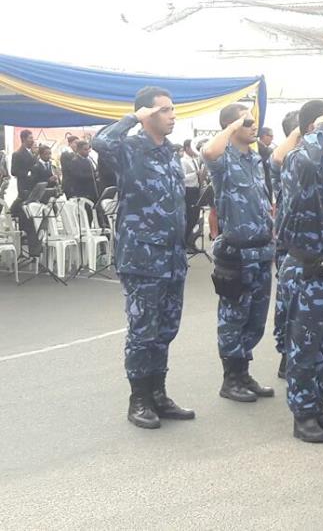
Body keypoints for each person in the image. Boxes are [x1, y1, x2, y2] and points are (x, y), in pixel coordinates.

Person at [92, 86, 195, 429]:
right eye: (165, 110)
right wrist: (132, 118)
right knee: (142, 331)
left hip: (172, 257)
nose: (173, 115)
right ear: (147, 114)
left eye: (172, 109)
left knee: (165, 329)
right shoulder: (129, 149)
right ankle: (138, 400)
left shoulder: (169, 152)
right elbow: (101, 142)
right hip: (142, 257)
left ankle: (159, 394)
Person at [276, 100, 323, 443]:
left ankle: (317, 406)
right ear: (312, 130)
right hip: (307, 269)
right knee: (303, 348)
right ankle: (303, 414)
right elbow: (301, 159)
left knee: (320, 347)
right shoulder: (299, 159)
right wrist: (316, 129)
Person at [202, 104, 276, 404]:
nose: (253, 125)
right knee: (233, 317)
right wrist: (232, 127)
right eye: (247, 122)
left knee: (255, 319)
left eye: (254, 121)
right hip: (237, 253)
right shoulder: (223, 160)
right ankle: (230, 379)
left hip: (260, 250)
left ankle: (244, 372)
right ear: (231, 127)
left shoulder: (255, 158)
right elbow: (208, 152)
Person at [270, 110, 301, 379]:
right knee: (288, 303)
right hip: (289, 245)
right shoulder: (286, 157)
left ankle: (303, 355)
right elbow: (277, 159)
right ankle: (286, 355)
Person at [181, 139, 202, 253]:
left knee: (195, 218)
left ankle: (191, 242)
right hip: (188, 191)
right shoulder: (183, 161)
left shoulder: (195, 160)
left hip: (196, 189)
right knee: (189, 218)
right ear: (187, 148)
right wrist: (195, 174)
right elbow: (182, 178)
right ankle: (185, 243)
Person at [257, 126, 274, 201]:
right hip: (263, 186)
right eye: (271, 136)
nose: (272, 138)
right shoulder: (259, 149)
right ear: (264, 136)